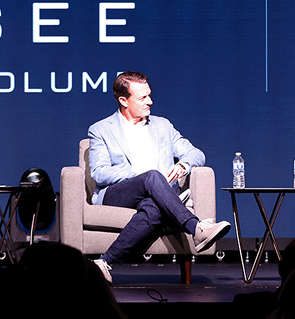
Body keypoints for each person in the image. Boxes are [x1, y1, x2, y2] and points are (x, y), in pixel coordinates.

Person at [86, 71, 231, 283]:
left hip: (155, 195)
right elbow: (99, 172)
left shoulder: (162, 126)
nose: (150, 102)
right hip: (118, 194)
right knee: (151, 176)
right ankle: (196, 228)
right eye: (142, 98)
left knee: (153, 209)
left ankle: (104, 262)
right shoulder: (100, 130)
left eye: (149, 95)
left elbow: (196, 153)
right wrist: (140, 176)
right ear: (123, 100)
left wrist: (183, 164)